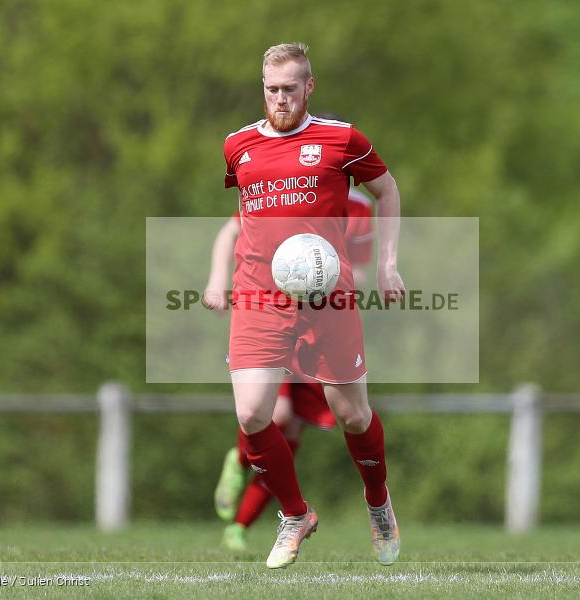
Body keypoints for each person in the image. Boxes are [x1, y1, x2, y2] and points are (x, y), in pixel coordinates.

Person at [220, 42, 404, 569]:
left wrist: (387, 264)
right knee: (253, 414)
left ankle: (378, 503)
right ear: (263, 88)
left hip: (328, 297)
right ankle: (296, 515)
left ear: (309, 86)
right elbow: (247, 215)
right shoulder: (237, 146)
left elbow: (387, 192)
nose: (280, 99)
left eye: (290, 89)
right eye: (271, 90)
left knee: (352, 414)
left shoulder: (341, 139)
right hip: (259, 296)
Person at [206, 176, 374, 552]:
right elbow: (230, 231)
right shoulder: (285, 188)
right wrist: (218, 280)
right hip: (271, 314)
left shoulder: (360, 207)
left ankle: (240, 526)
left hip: (322, 319)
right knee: (275, 415)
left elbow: (360, 270)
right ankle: (239, 456)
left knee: (292, 431)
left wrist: (329, 277)